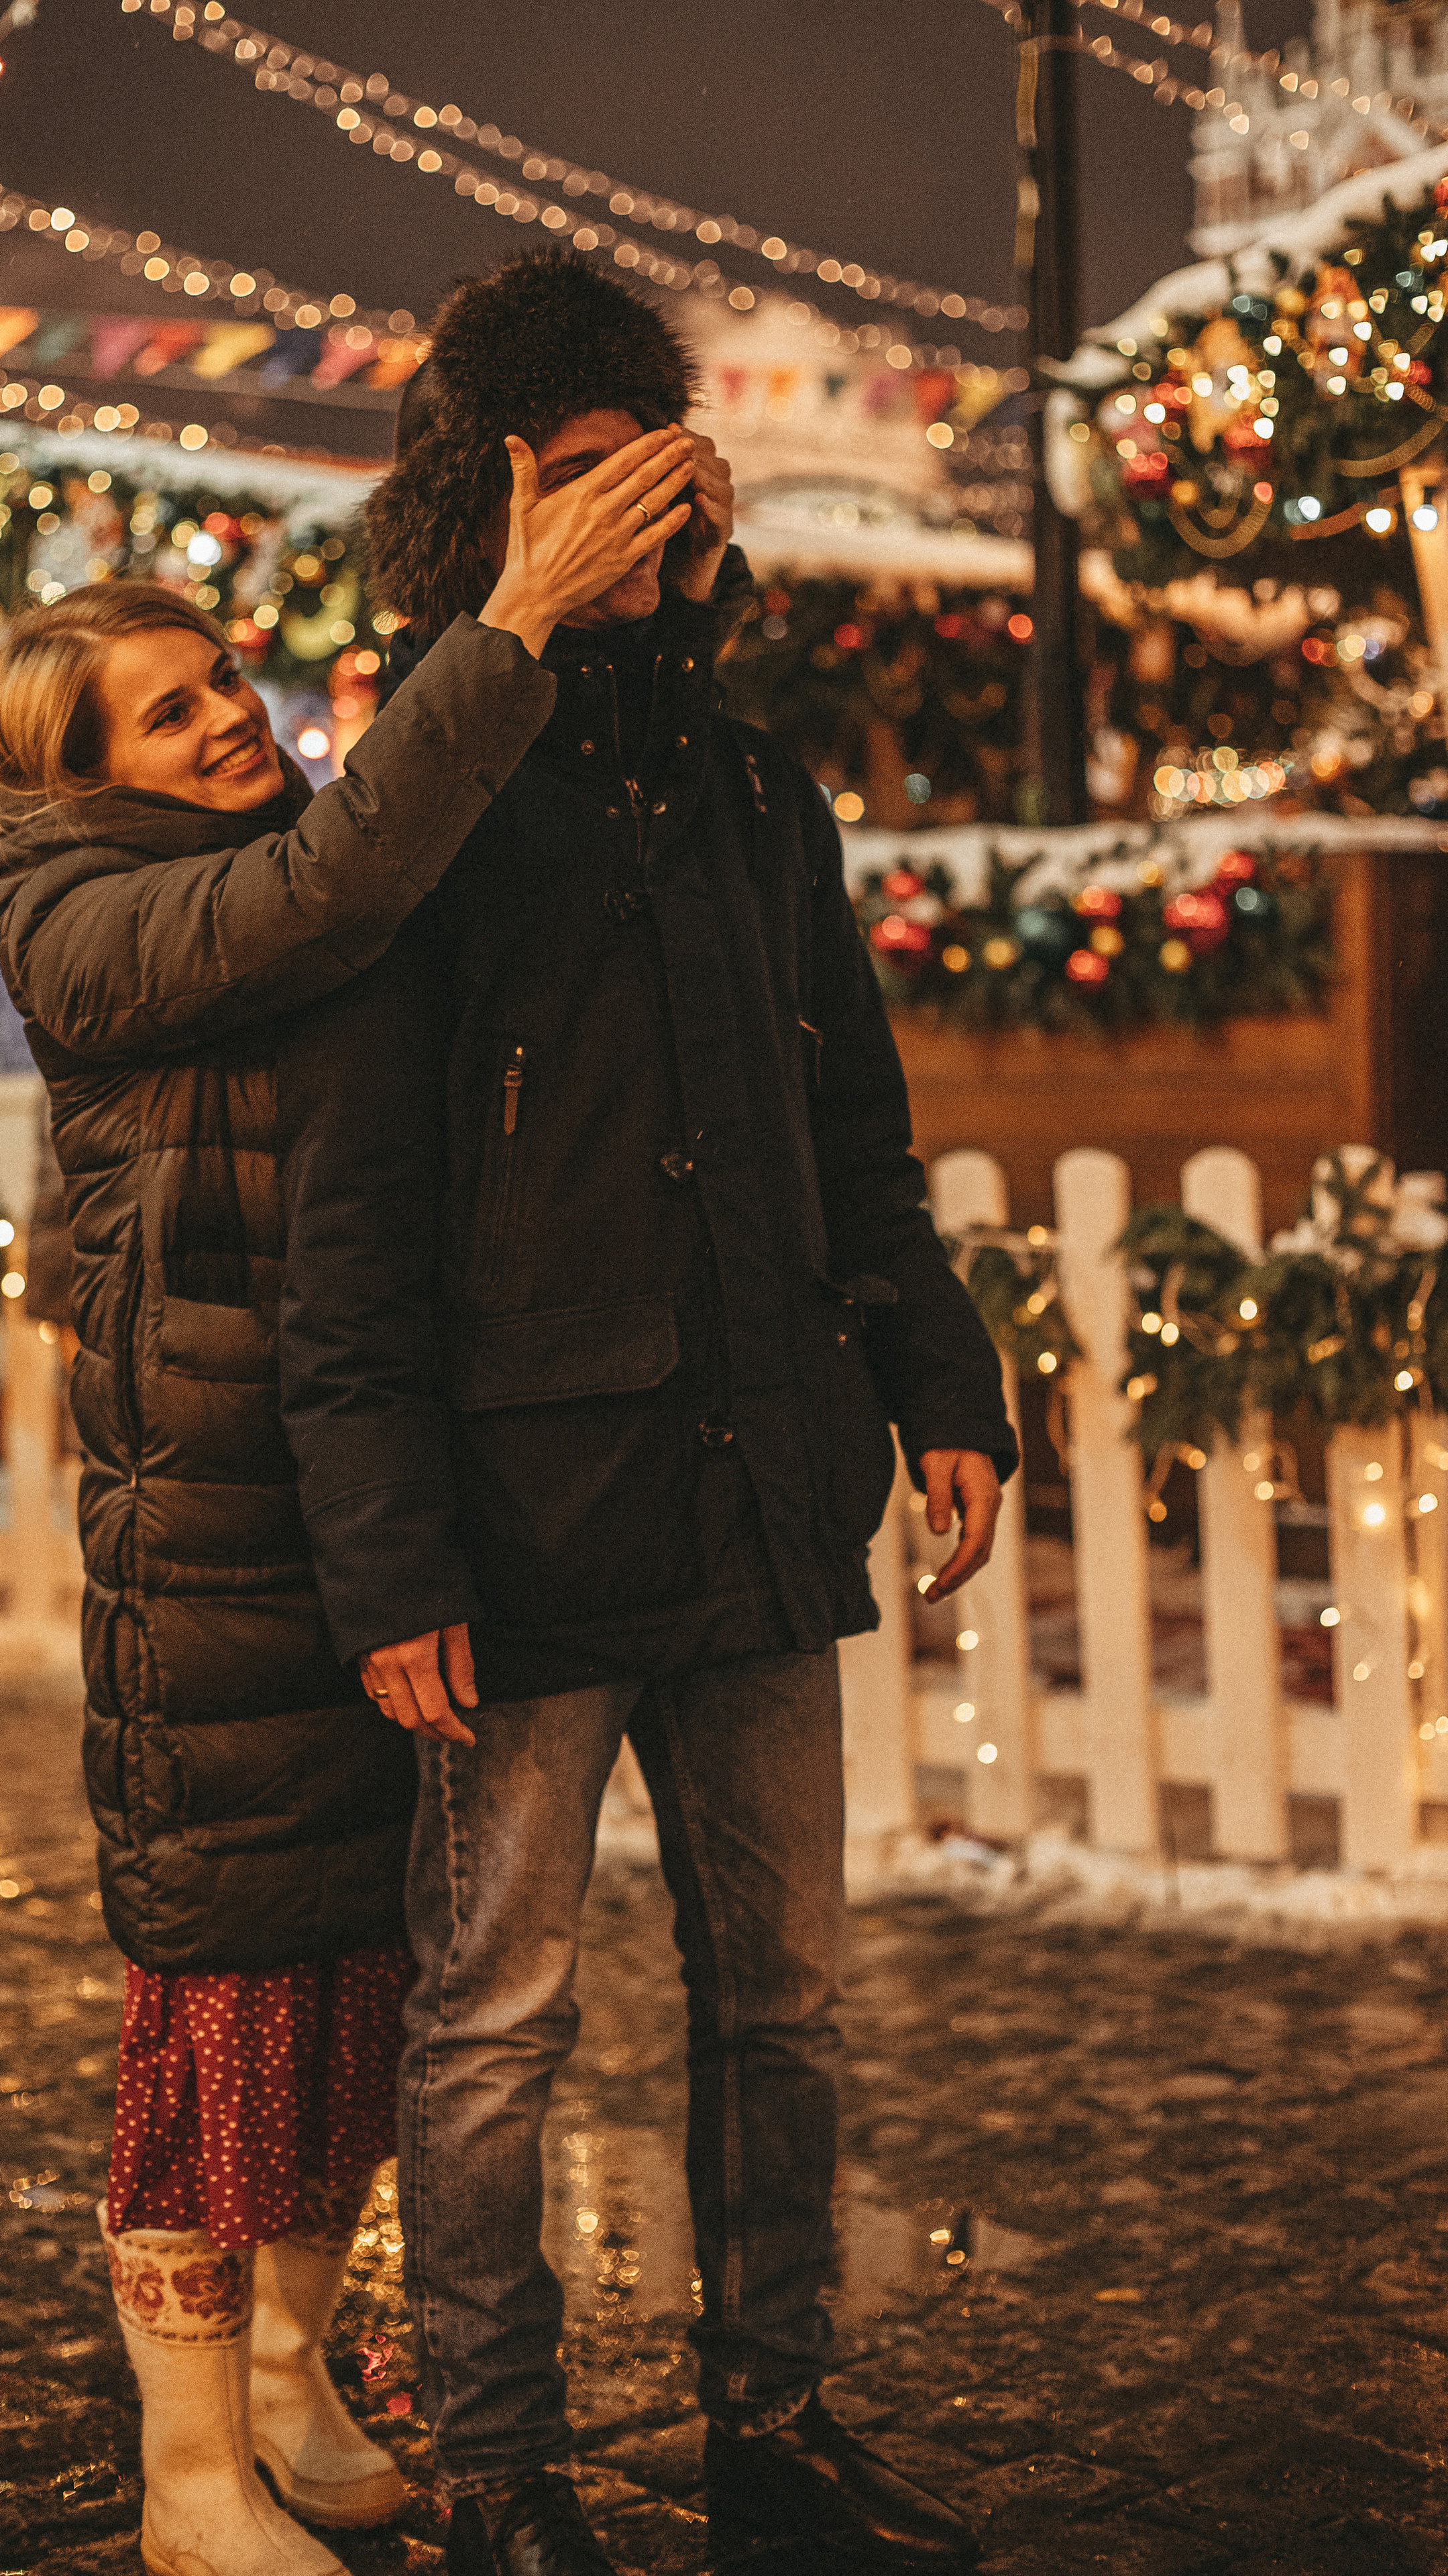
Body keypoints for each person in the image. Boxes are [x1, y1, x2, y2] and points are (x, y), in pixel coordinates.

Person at [278, 250, 1019, 2576]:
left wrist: (940, 1384)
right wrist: (391, 1554)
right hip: (519, 1521)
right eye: (586, 491)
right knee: (495, 2019)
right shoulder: (424, 789)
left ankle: (772, 2441)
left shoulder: (745, 784)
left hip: (753, 1487)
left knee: (782, 2004)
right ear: (496, 505)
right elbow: (355, 1220)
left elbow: (854, 1125)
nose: (641, 536)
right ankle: (504, 2474)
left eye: (666, 490)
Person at [0, 423, 701, 2576]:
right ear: (83, 769)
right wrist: (512, 620)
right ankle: (187, 2470)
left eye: (224, 682)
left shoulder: (269, 862)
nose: (233, 721)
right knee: (222, 2001)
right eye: (173, 711)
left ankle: (289, 2379)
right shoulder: (97, 908)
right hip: (208, 1535)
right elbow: (341, 881)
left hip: (348, 1502)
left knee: (365, 1983)